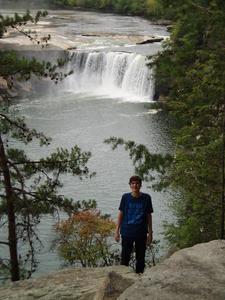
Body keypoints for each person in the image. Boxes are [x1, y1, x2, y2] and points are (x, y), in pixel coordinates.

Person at [115, 175, 153, 274]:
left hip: (141, 233)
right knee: (124, 259)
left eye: (137, 183)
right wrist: (116, 231)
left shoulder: (146, 198)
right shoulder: (125, 197)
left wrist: (150, 233)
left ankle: (139, 280)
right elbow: (121, 214)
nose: (135, 185)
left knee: (140, 260)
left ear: (140, 185)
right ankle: (123, 278)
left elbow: (149, 216)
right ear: (130, 185)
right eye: (133, 183)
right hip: (127, 233)